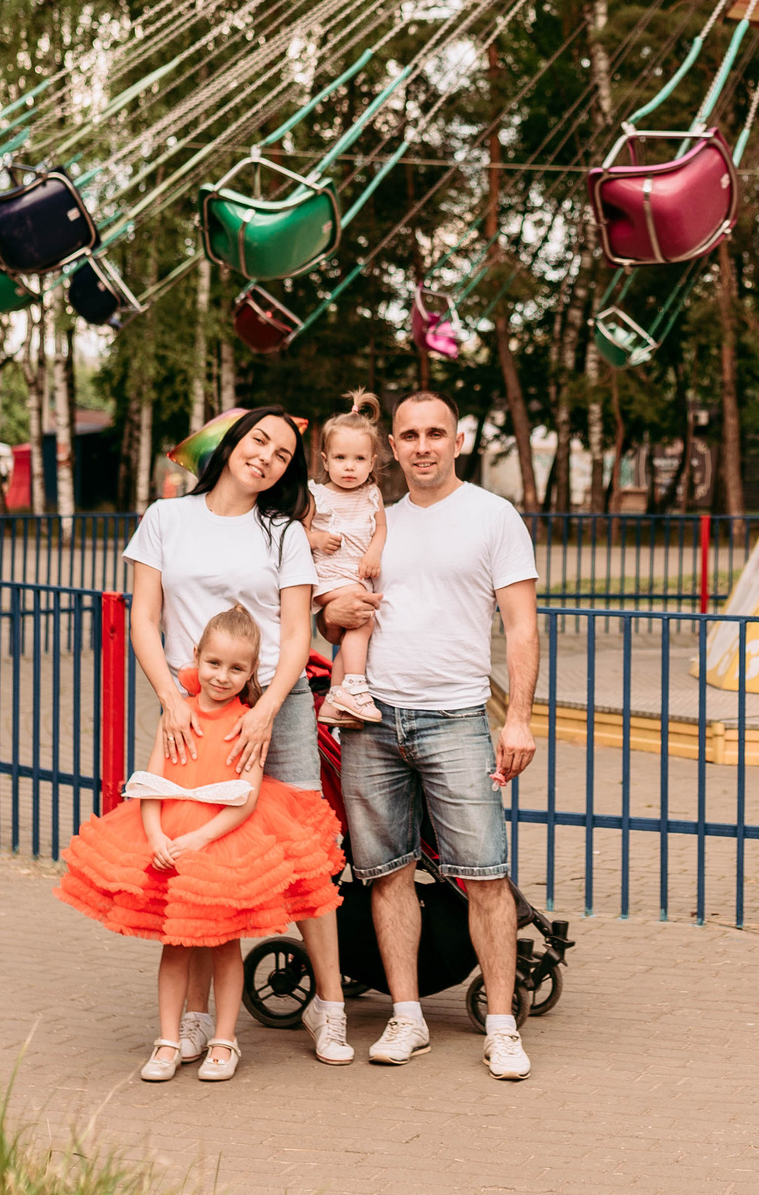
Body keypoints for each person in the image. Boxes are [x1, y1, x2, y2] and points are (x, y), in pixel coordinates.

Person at [118, 406, 357, 1066]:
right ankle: (194, 1017)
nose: (268, 457)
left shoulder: (283, 531)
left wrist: (269, 708)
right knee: (199, 856)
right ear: (230, 442)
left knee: (306, 851)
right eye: (260, 440)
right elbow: (145, 619)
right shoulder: (167, 518)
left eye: (283, 453)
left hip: (272, 709)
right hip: (192, 708)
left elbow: (293, 633)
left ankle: (329, 1006)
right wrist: (170, 697)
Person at [321, 388, 540, 1081]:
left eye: (435, 433)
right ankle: (407, 1014)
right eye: (409, 434)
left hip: (456, 717)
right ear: (394, 447)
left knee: (485, 875)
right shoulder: (375, 517)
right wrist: (336, 612)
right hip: (373, 717)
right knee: (385, 874)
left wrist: (519, 716)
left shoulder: (492, 517)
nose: (421, 446)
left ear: (457, 440)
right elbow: (335, 614)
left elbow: (523, 624)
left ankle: (501, 1027)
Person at [56, 607, 343, 1082]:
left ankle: (224, 1041)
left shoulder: (249, 722)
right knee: (176, 945)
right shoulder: (178, 714)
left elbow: (247, 799)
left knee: (224, 944)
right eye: (214, 664)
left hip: (218, 839)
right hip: (168, 835)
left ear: (253, 671)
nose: (222, 676)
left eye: (236, 668)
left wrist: (200, 838)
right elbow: (151, 783)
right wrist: (157, 838)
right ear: (197, 657)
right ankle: (168, 1040)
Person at [309, 391, 392, 727]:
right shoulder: (316, 493)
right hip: (328, 575)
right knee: (363, 620)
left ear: (372, 462)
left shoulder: (372, 494)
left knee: (353, 632)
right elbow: (295, 532)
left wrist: (373, 552)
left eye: (359, 459)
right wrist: (315, 537)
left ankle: (333, 701)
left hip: (357, 575)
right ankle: (355, 686)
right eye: (341, 458)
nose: (349, 466)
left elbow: (381, 529)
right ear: (325, 460)